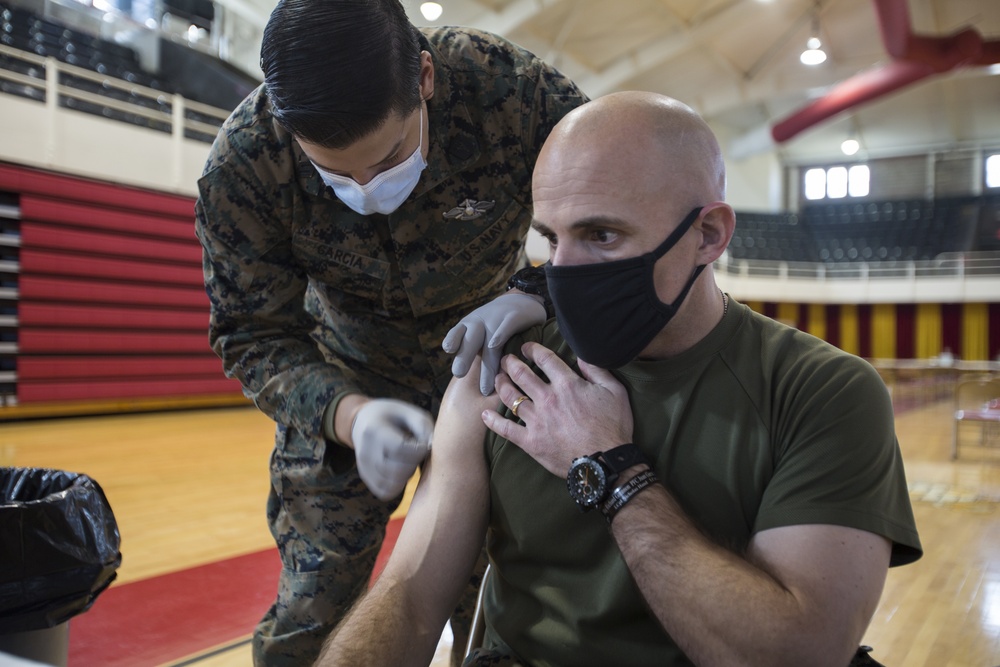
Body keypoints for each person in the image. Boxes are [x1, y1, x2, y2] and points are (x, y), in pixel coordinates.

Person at [317, 91, 923, 667]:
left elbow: (794, 654)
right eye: (552, 239)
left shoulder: (822, 392)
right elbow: (411, 598)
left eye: (601, 236)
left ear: (708, 235)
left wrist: (609, 465)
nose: (562, 274)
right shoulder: (503, 368)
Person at [192, 0, 587, 664]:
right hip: (342, 376)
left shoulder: (509, 90)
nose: (369, 186)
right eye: (335, 173)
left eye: (389, 156)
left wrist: (537, 292)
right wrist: (349, 415)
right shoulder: (244, 167)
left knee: (491, 604)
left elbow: (614, 203)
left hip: (490, 374)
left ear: (426, 79)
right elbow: (252, 333)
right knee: (312, 612)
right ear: (288, 132)